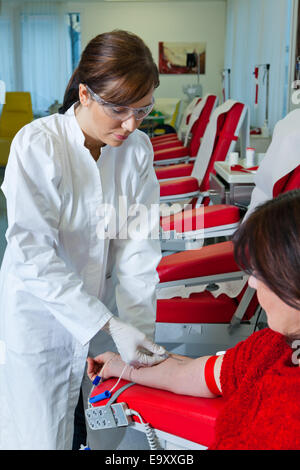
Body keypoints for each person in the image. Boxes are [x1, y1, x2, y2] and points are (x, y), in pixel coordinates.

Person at [0, 30, 168, 450]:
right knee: (41, 436)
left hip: (108, 324)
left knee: (103, 437)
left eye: (143, 110)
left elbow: (137, 251)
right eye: (119, 109)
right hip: (41, 323)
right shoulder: (39, 145)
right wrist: (106, 323)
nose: (131, 124)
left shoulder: (137, 151)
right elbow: (33, 254)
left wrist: (137, 338)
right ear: (86, 94)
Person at [87, 190, 300, 450]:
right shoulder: (269, 347)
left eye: (263, 271)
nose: (252, 283)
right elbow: (187, 374)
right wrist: (119, 366)